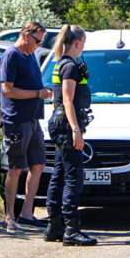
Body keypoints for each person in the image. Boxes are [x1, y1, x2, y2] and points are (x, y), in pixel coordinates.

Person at [45, 24, 97, 246]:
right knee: (73, 176)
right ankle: (71, 229)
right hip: (67, 125)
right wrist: (76, 129)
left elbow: (56, 99)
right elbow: (67, 100)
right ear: (77, 42)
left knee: (59, 174)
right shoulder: (70, 67)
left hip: (59, 123)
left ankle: (54, 226)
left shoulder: (59, 64)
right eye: (83, 43)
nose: (83, 47)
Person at [0, 21, 52, 234]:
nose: (39, 45)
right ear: (26, 35)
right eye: (38, 41)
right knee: (16, 167)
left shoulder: (30, 55)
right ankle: (9, 217)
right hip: (17, 120)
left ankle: (27, 213)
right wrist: (38, 94)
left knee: (38, 164)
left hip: (33, 119)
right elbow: (7, 90)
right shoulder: (11, 55)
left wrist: (44, 92)